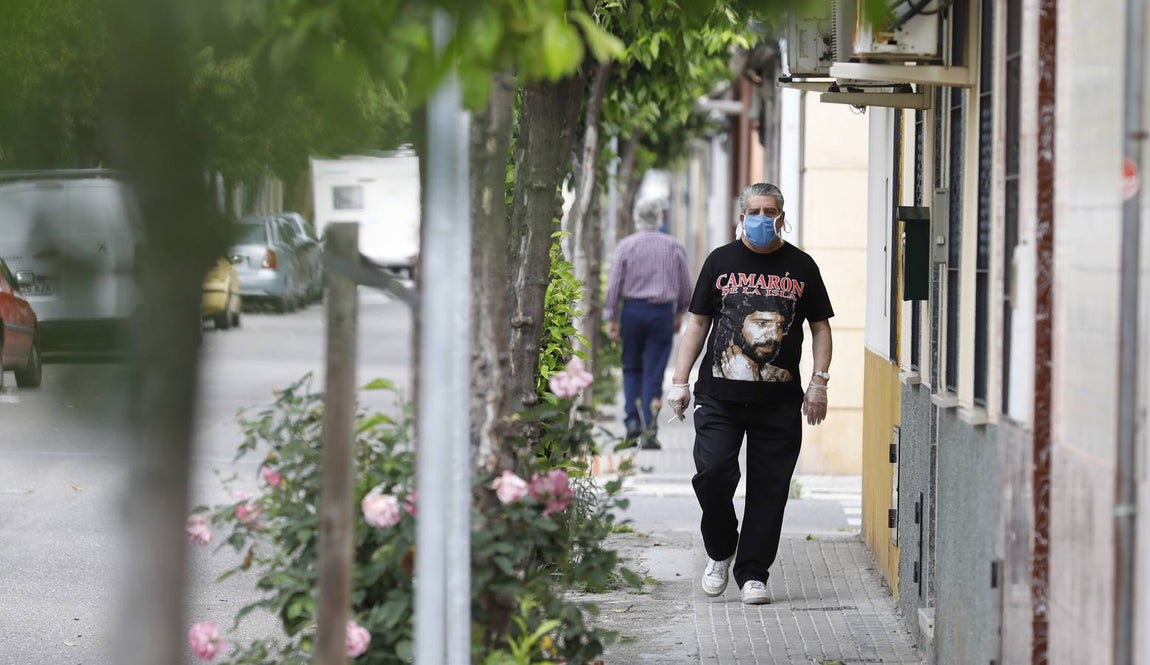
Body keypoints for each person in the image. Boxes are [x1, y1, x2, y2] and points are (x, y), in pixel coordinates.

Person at [666, 182, 833, 605]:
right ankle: (721, 549)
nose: (763, 218)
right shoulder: (721, 261)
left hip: (778, 402)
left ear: (782, 215)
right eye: (755, 210)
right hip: (719, 397)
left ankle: (754, 572)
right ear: (742, 216)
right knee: (712, 474)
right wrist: (680, 382)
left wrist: (819, 382)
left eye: (770, 211)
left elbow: (820, 327)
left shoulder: (801, 266)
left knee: (770, 489)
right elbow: (698, 324)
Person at [605, 198, 692, 450]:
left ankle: (632, 422)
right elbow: (685, 286)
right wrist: (679, 314)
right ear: (660, 217)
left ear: (637, 218)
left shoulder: (626, 246)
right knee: (654, 372)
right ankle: (650, 429)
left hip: (632, 312)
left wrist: (611, 317)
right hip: (661, 314)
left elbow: (614, 284)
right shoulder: (674, 246)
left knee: (631, 368)